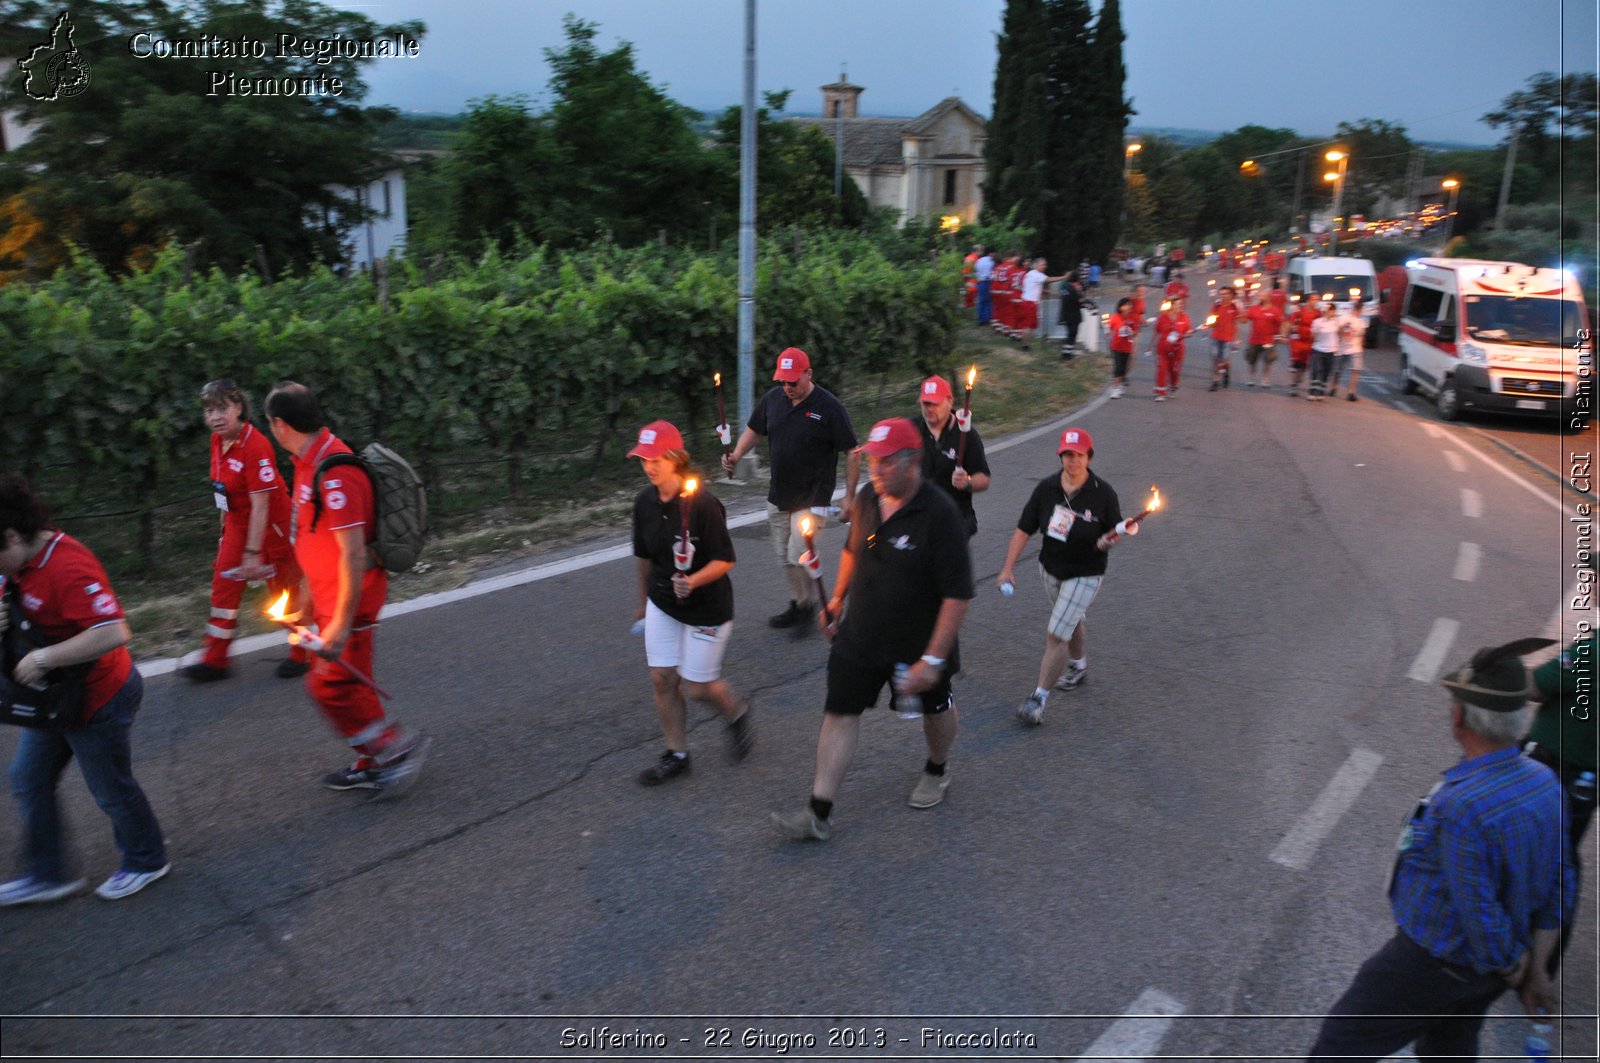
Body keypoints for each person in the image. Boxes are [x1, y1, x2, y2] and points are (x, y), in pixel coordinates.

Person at [1307, 638, 1574, 1062]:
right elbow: (1561, 879)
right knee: (1448, 1049)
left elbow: (1477, 908)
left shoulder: (1462, 805)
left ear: (1459, 717)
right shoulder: (1545, 781)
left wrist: (1510, 964)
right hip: (1487, 974)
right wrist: (1537, 966)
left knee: (1340, 1047)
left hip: (1434, 963)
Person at [771, 419, 973, 842]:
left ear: (911, 462)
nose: (874, 472)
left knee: (936, 710)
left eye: (884, 463)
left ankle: (937, 768)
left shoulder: (940, 515)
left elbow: (957, 595)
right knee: (840, 711)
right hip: (862, 633)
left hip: (920, 640)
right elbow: (851, 550)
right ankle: (818, 810)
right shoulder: (867, 497)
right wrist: (836, 601)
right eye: (871, 462)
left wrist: (933, 660)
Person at [0, 475, 169, 905]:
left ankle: (147, 860)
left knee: (110, 789)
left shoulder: (67, 565)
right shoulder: (16, 563)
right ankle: (48, 874)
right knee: (28, 776)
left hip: (99, 696)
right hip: (58, 699)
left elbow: (114, 631)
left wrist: (43, 659)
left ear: (12, 536)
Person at [264, 382, 430, 797]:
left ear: (281, 424)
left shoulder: (335, 471)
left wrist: (337, 625)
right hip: (327, 595)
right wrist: (305, 596)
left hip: (350, 602)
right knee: (353, 682)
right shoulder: (307, 461)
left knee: (327, 685)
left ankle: (392, 750)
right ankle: (371, 759)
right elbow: (312, 534)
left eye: (269, 422)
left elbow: (352, 552)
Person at [627, 421, 752, 786]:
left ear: (675, 459)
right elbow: (643, 557)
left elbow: (725, 559)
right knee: (662, 678)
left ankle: (736, 710)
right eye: (643, 459)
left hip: (708, 607)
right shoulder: (644, 503)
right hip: (662, 601)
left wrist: (693, 580)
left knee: (698, 687)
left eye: (655, 459)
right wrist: (641, 602)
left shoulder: (704, 504)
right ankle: (677, 753)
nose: (648, 467)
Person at [722, 348, 859, 633]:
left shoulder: (829, 407)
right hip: (779, 494)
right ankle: (799, 603)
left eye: (793, 382)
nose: (787, 388)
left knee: (799, 554)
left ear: (809, 374)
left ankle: (809, 608)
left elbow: (852, 452)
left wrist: (849, 497)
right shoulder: (773, 400)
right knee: (784, 556)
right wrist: (735, 455)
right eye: (782, 381)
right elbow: (754, 429)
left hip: (813, 498)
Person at [181, 379, 309, 683]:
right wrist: (224, 530)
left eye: (222, 408)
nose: (215, 417)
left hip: (272, 527)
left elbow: (261, 504)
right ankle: (215, 659)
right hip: (238, 524)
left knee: (284, 593)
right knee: (223, 585)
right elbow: (222, 491)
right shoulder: (217, 442)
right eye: (210, 410)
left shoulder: (256, 445)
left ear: (238, 408)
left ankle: (301, 652)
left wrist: (252, 554)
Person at [997, 428, 1126, 725]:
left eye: (1079, 455)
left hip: (1087, 572)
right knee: (1071, 619)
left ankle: (1038, 699)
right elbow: (1024, 528)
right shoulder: (1046, 489)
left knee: (1057, 632)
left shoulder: (1103, 493)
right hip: (1050, 569)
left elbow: (1116, 529)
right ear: (1061, 456)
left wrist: (1110, 540)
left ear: (1088, 457)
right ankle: (1078, 666)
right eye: (1068, 454)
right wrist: (1007, 567)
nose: (1073, 460)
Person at [914, 375, 991, 537]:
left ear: (950, 401)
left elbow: (984, 479)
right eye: (925, 403)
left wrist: (968, 482)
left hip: (955, 520)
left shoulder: (967, 435)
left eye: (935, 403)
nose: (929, 409)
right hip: (919, 518)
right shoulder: (910, 430)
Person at [1016, 257, 1068, 350]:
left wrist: (1048, 292)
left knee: (1031, 325)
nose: (1045, 266)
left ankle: (1026, 344)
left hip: (1027, 302)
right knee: (1028, 325)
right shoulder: (1036, 274)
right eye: (1043, 264)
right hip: (1030, 303)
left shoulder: (1030, 274)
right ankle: (1025, 345)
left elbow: (1033, 287)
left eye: (1045, 265)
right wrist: (1064, 277)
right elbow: (1049, 279)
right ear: (1036, 265)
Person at [1153, 297, 1193, 401]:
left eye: (1181, 304)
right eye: (1177, 304)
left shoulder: (1184, 317)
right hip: (1163, 348)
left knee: (1175, 371)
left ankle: (1173, 386)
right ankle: (1161, 393)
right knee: (1162, 369)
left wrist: (1188, 333)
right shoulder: (1163, 317)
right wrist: (1151, 346)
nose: (1180, 306)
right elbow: (1156, 331)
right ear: (1171, 305)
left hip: (1178, 349)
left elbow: (1188, 330)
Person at [1241, 292, 1285, 389]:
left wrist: (1281, 335)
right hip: (1254, 340)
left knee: (1268, 360)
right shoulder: (1254, 309)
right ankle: (1251, 378)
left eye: (1262, 295)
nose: (1260, 297)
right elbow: (1244, 320)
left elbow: (1281, 323)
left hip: (1268, 340)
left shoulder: (1274, 310)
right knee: (1251, 360)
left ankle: (1265, 379)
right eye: (1260, 296)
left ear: (1268, 297)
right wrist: (1242, 314)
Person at [1332, 297, 1369, 401]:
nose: (1361, 312)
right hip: (1343, 348)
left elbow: (1362, 335)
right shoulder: (1344, 318)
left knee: (1356, 370)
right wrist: (1343, 327)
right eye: (1361, 309)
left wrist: (1362, 347)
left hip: (1356, 349)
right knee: (1338, 370)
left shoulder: (1361, 322)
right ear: (1358, 309)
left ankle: (1351, 392)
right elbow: (1337, 331)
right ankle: (1334, 387)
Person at [1285, 296, 1320, 397]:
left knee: (1304, 365)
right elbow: (1290, 322)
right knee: (1296, 362)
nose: (1316, 301)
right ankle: (1293, 385)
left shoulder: (1318, 313)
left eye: (1317, 300)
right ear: (1309, 301)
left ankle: (1297, 380)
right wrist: (1286, 334)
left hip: (1310, 341)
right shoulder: (1300, 311)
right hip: (1298, 340)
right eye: (1314, 299)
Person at [1207, 287, 1241, 390]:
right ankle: (1215, 381)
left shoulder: (1234, 307)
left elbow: (1237, 323)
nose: (1223, 296)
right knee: (1215, 359)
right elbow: (1211, 319)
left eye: (1226, 294)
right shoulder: (1217, 306)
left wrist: (1237, 339)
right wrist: (1208, 324)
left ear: (1231, 295)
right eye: (1221, 294)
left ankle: (1226, 372)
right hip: (1216, 336)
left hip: (1228, 338)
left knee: (1225, 359)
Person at [1308, 300, 1340, 400]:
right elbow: (1313, 335)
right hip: (1318, 349)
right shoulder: (1317, 322)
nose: (1333, 313)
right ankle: (1312, 390)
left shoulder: (1336, 322)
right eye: (1331, 310)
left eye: (1334, 311)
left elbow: (1340, 333)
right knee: (1317, 369)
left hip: (1331, 351)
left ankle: (1321, 390)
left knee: (1327, 371)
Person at [1106, 297, 1137, 399]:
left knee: (1124, 368)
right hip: (1116, 346)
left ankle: (1120, 385)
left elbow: (1135, 332)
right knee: (1118, 367)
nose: (1128, 307)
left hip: (1127, 347)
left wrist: (1130, 332)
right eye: (1126, 305)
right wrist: (1108, 330)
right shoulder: (1115, 317)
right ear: (1120, 307)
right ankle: (1115, 388)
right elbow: (1108, 328)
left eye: (1129, 305)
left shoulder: (1132, 319)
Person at [1058, 275, 1086, 359]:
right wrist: (1081, 293)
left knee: (1069, 334)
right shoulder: (1073, 289)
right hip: (1073, 315)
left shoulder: (1064, 287)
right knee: (1072, 334)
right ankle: (1067, 354)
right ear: (1076, 281)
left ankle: (1066, 352)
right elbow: (1079, 301)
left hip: (1065, 314)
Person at [974, 247, 994, 326]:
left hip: (980, 282)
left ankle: (980, 319)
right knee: (989, 301)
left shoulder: (979, 261)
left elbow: (976, 272)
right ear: (991, 253)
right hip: (989, 282)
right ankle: (987, 318)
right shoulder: (991, 261)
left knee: (981, 301)